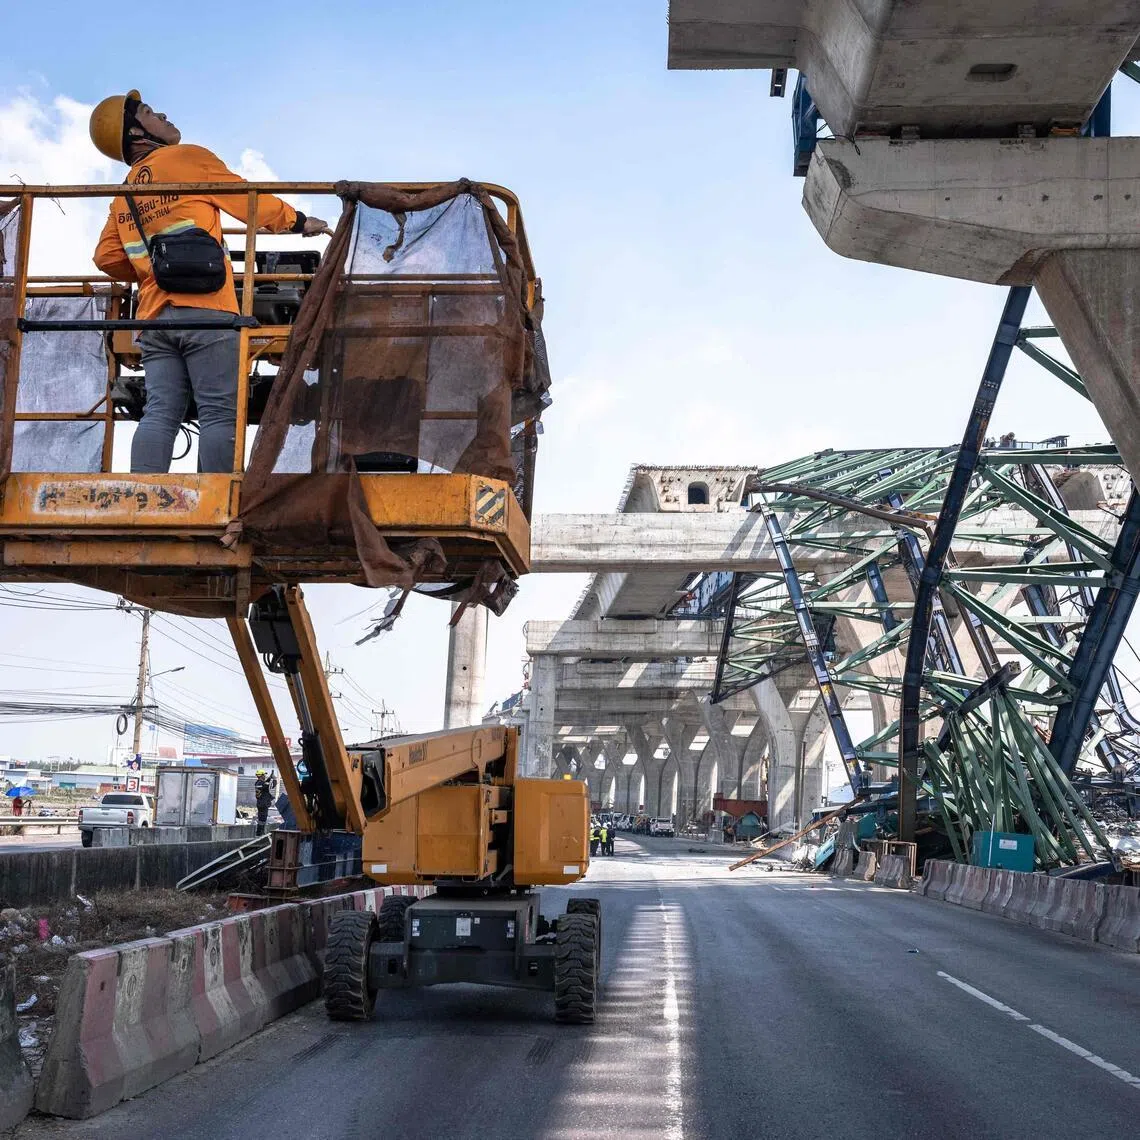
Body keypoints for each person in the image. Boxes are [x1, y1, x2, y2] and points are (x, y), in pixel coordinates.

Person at [89, 91, 331, 474]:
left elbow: (106, 257)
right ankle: (216, 503)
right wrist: (300, 222)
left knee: (161, 412)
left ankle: (143, 499)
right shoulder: (188, 158)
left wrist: (150, 272)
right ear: (135, 133)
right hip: (208, 311)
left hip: (155, 317)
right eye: (151, 113)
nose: (163, 114)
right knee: (219, 412)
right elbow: (249, 202)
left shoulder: (125, 193)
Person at [254, 770, 274, 836]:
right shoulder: (260, 783)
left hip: (261, 803)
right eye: (264, 775)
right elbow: (270, 785)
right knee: (262, 819)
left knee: (261, 819)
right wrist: (273, 778)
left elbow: (265, 784)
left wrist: (270, 778)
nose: (265, 776)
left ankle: (259, 832)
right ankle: (260, 833)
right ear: (261, 775)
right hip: (263, 804)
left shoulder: (258, 783)